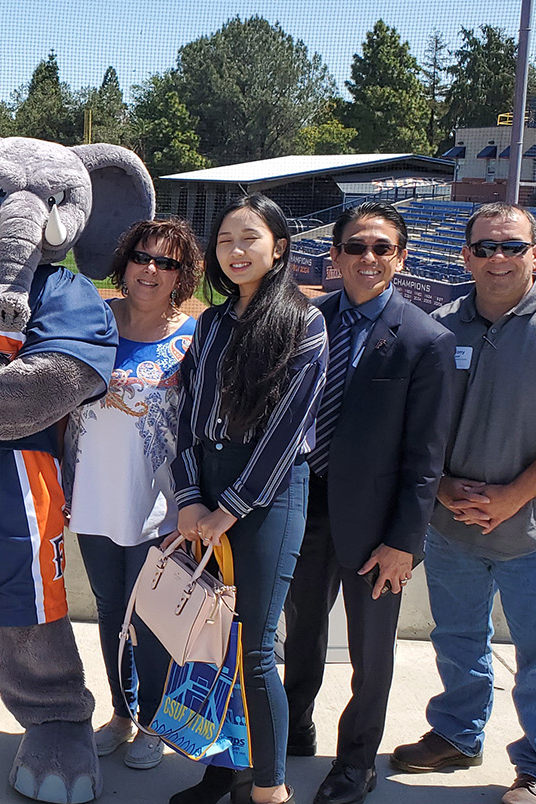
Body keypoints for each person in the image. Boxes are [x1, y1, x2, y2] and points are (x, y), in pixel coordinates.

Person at [389, 202, 536, 804]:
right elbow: (416, 424)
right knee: (457, 637)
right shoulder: (441, 324)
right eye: (485, 247)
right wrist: (441, 486)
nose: (498, 258)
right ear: (466, 255)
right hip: (453, 525)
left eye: (512, 246)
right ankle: (458, 734)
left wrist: (513, 496)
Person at [281, 202, 456, 804]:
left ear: (400, 258)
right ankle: (294, 727)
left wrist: (405, 541)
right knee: (300, 629)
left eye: (382, 248)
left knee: (369, 649)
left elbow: (425, 456)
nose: (368, 258)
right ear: (334, 257)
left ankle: (356, 762)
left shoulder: (427, 340)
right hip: (304, 508)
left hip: (377, 527)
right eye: (355, 247)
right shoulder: (306, 320)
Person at [170, 194, 328, 804]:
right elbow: (187, 417)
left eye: (250, 238)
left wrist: (226, 509)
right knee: (212, 644)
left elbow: (287, 432)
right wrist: (189, 498)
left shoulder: (303, 322)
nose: (236, 250)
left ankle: (270, 788)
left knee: (256, 649)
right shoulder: (209, 323)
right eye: (227, 240)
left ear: (279, 248)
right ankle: (222, 769)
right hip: (204, 487)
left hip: (266, 496)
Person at [61, 217, 201, 772]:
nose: (151, 270)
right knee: (109, 609)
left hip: (158, 504)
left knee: (150, 620)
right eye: (143, 257)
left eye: (166, 262)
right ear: (125, 263)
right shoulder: (91, 319)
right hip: (91, 494)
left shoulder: (192, 337)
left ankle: (153, 722)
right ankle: (121, 713)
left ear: (181, 275)